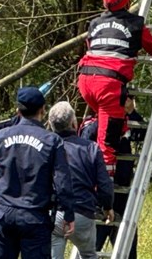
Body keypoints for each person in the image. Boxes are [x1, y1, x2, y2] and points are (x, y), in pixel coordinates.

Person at [77, 0, 152, 175]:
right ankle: (102, 197)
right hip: (107, 86)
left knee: (104, 128)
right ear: (128, 1)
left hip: (85, 81)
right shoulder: (135, 25)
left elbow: (93, 49)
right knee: (107, 148)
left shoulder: (94, 24)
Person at [0, 87, 75, 259]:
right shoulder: (52, 141)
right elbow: (62, 181)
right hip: (35, 216)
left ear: (18, 111)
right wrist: (68, 213)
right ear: (43, 110)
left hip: (4, 214)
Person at [47, 102, 114, 259]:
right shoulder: (91, 148)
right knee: (89, 254)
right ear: (73, 123)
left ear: (51, 125)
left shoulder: (46, 147)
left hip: (54, 212)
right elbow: (104, 182)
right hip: (82, 211)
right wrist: (107, 206)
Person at [81, 96, 145, 259]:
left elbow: (141, 133)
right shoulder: (94, 124)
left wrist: (131, 112)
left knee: (128, 251)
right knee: (93, 248)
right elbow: (85, 143)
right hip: (101, 196)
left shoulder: (128, 121)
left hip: (123, 196)